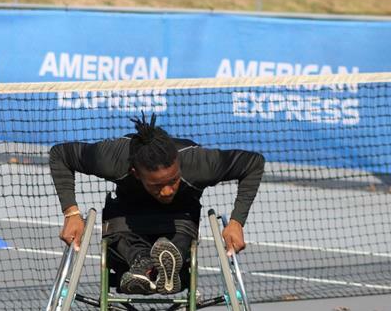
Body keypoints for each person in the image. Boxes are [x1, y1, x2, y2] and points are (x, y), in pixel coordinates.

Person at [49, 113, 265, 295]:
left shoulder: (198, 163)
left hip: (178, 222)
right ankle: (147, 267)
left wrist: (237, 222)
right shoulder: (113, 159)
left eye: (173, 180)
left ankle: (158, 266)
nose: (168, 190)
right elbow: (61, 155)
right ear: (135, 173)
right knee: (122, 236)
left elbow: (253, 163)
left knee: (178, 239)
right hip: (128, 221)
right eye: (157, 185)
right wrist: (71, 213)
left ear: (178, 164)